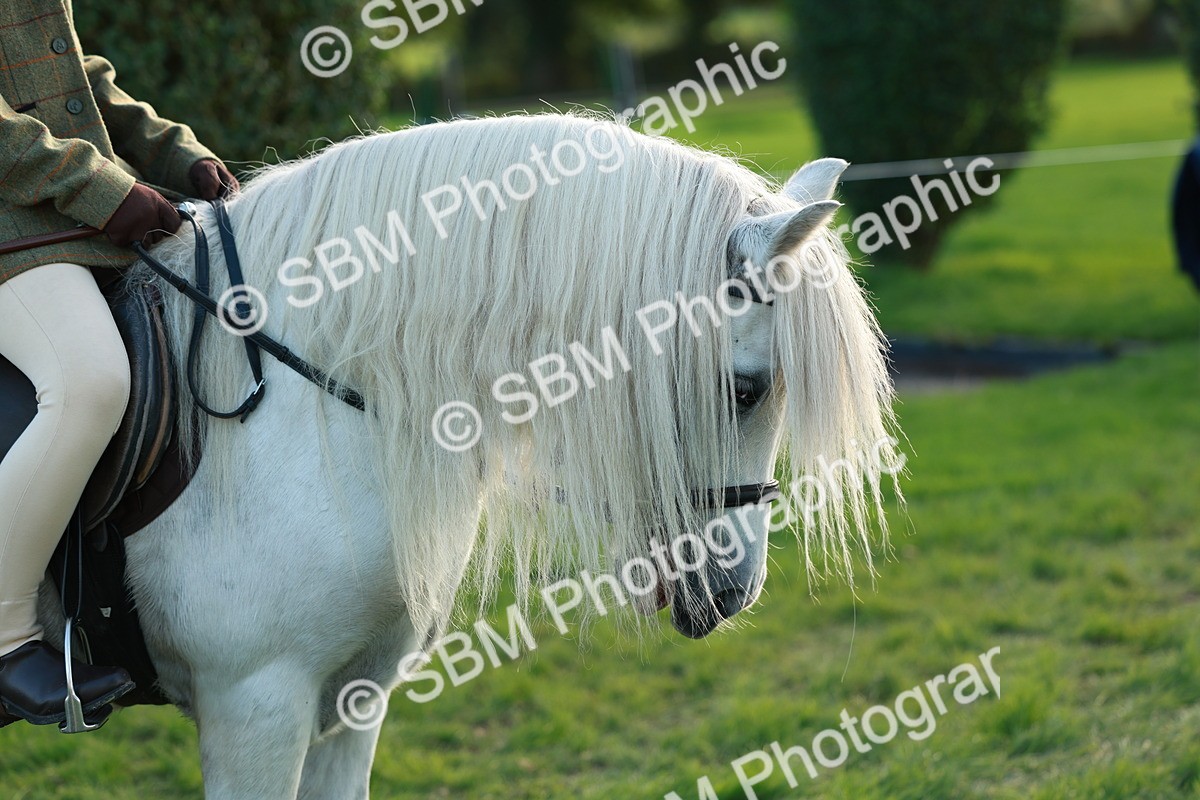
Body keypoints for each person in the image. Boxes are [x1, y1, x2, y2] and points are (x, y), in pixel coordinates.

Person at [0, 1, 239, 728]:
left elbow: (69, 71)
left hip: (62, 217)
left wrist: (176, 153)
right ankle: (8, 640)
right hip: (17, 228)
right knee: (89, 380)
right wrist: (106, 192)